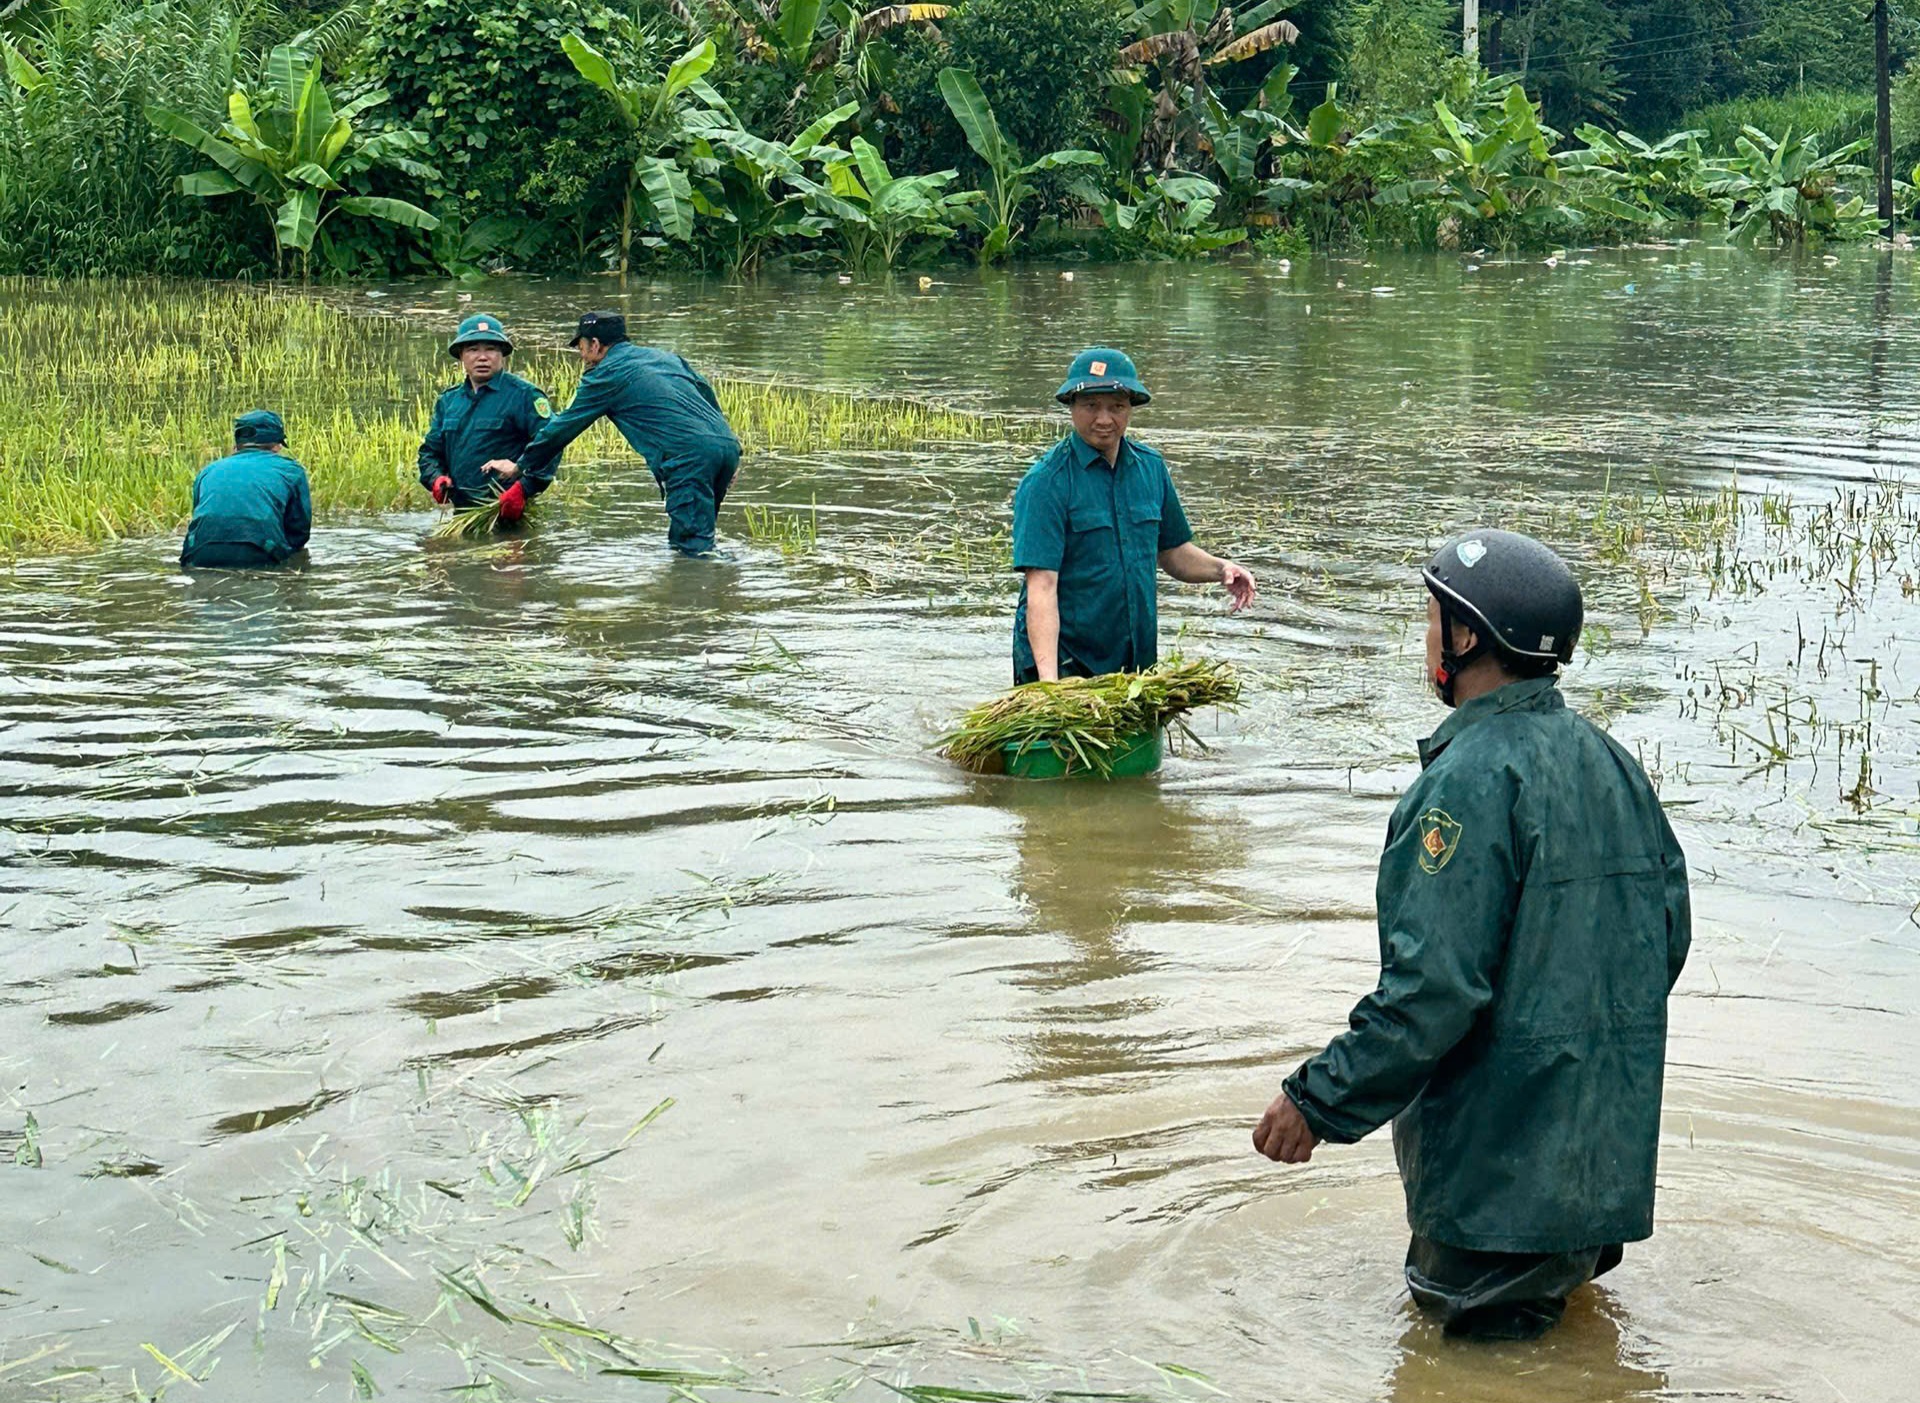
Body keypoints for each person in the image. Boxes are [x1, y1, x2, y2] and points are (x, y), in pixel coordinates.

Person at [1251, 529, 1692, 1342]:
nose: (1425, 637)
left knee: (1475, 1370)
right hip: (1601, 1175)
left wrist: (1316, 1099)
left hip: (1496, 1189)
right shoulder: (1614, 762)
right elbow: (1663, 940)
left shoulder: (1463, 783)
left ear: (1465, 638)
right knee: (1563, 1355)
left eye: (1432, 618)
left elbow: (1430, 992)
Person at [1011, 347, 1254, 684]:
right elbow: (1042, 586)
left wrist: (1222, 569)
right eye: (1091, 406)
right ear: (1071, 407)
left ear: (1130, 409)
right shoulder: (1046, 483)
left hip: (1134, 662)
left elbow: (1173, 553)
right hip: (1066, 662)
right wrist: (1050, 690)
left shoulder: (1150, 469)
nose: (1104, 419)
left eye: (1117, 407)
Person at [484, 311, 741, 555]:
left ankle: (707, 593)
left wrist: (520, 467)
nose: (582, 355)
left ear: (595, 345)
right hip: (724, 447)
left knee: (692, 549)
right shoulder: (666, 358)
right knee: (699, 536)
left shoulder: (606, 375)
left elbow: (562, 429)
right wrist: (731, 453)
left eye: (581, 347)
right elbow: (707, 396)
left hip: (688, 458)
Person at [417, 313, 557, 523]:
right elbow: (430, 452)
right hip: (463, 514)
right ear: (461, 356)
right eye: (473, 350)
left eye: (490, 349)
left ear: (502, 355)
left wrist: (523, 489)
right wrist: (436, 479)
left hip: (511, 509)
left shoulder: (524, 396)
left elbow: (551, 444)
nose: (482, 357)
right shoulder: (448, 401)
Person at [180, 410, 312, 570]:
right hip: (259, 553)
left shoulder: (207, 471)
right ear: (277, 446)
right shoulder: (291, 470)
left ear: (236, 445)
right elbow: (299, 532)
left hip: (198, 552)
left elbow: (200, 515)